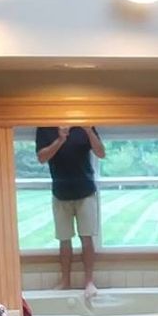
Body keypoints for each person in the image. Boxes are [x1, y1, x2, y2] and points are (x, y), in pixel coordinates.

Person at [35, 125, 105, 292]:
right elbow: (42, 158)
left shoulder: (84, 125)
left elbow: (101, 153)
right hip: (60, 193)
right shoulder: (45, 127)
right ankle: (65, 281)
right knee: (64, 240)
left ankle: (89, 282)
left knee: (87, 239)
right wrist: (60, 140)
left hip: (86, 191)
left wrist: (88, 131)